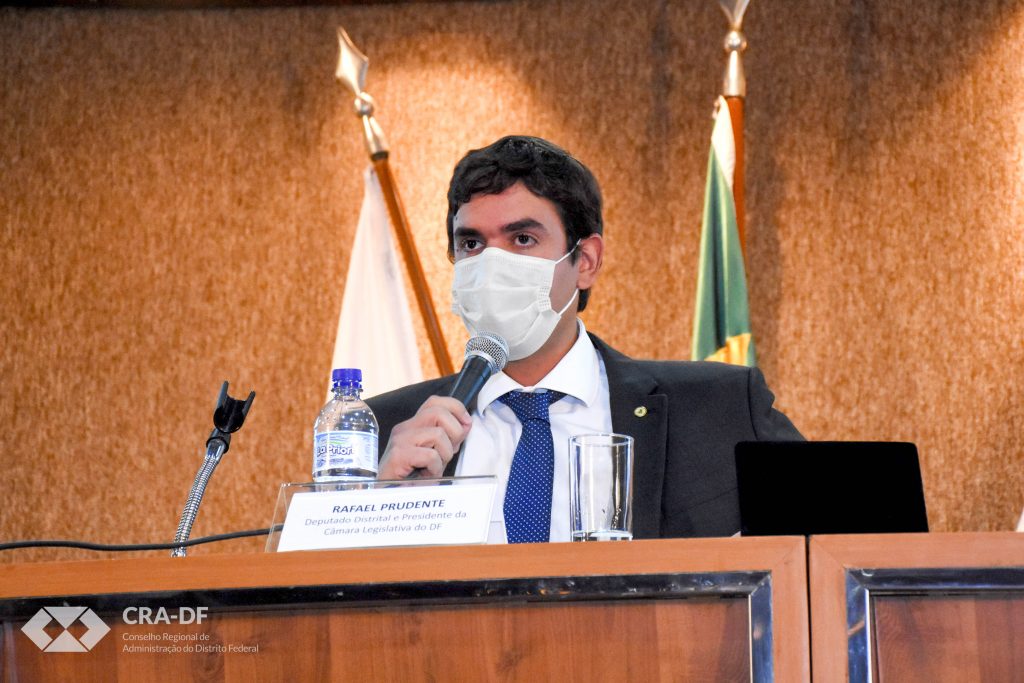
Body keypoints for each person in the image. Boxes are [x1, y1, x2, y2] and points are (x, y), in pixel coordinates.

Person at [366, 135, 801, 542]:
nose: (492, 265)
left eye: (522, 239)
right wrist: (380, 509)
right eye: (472, 244)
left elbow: (827, 544)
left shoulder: (721, 408)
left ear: (586, 261)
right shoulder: (383, 434)